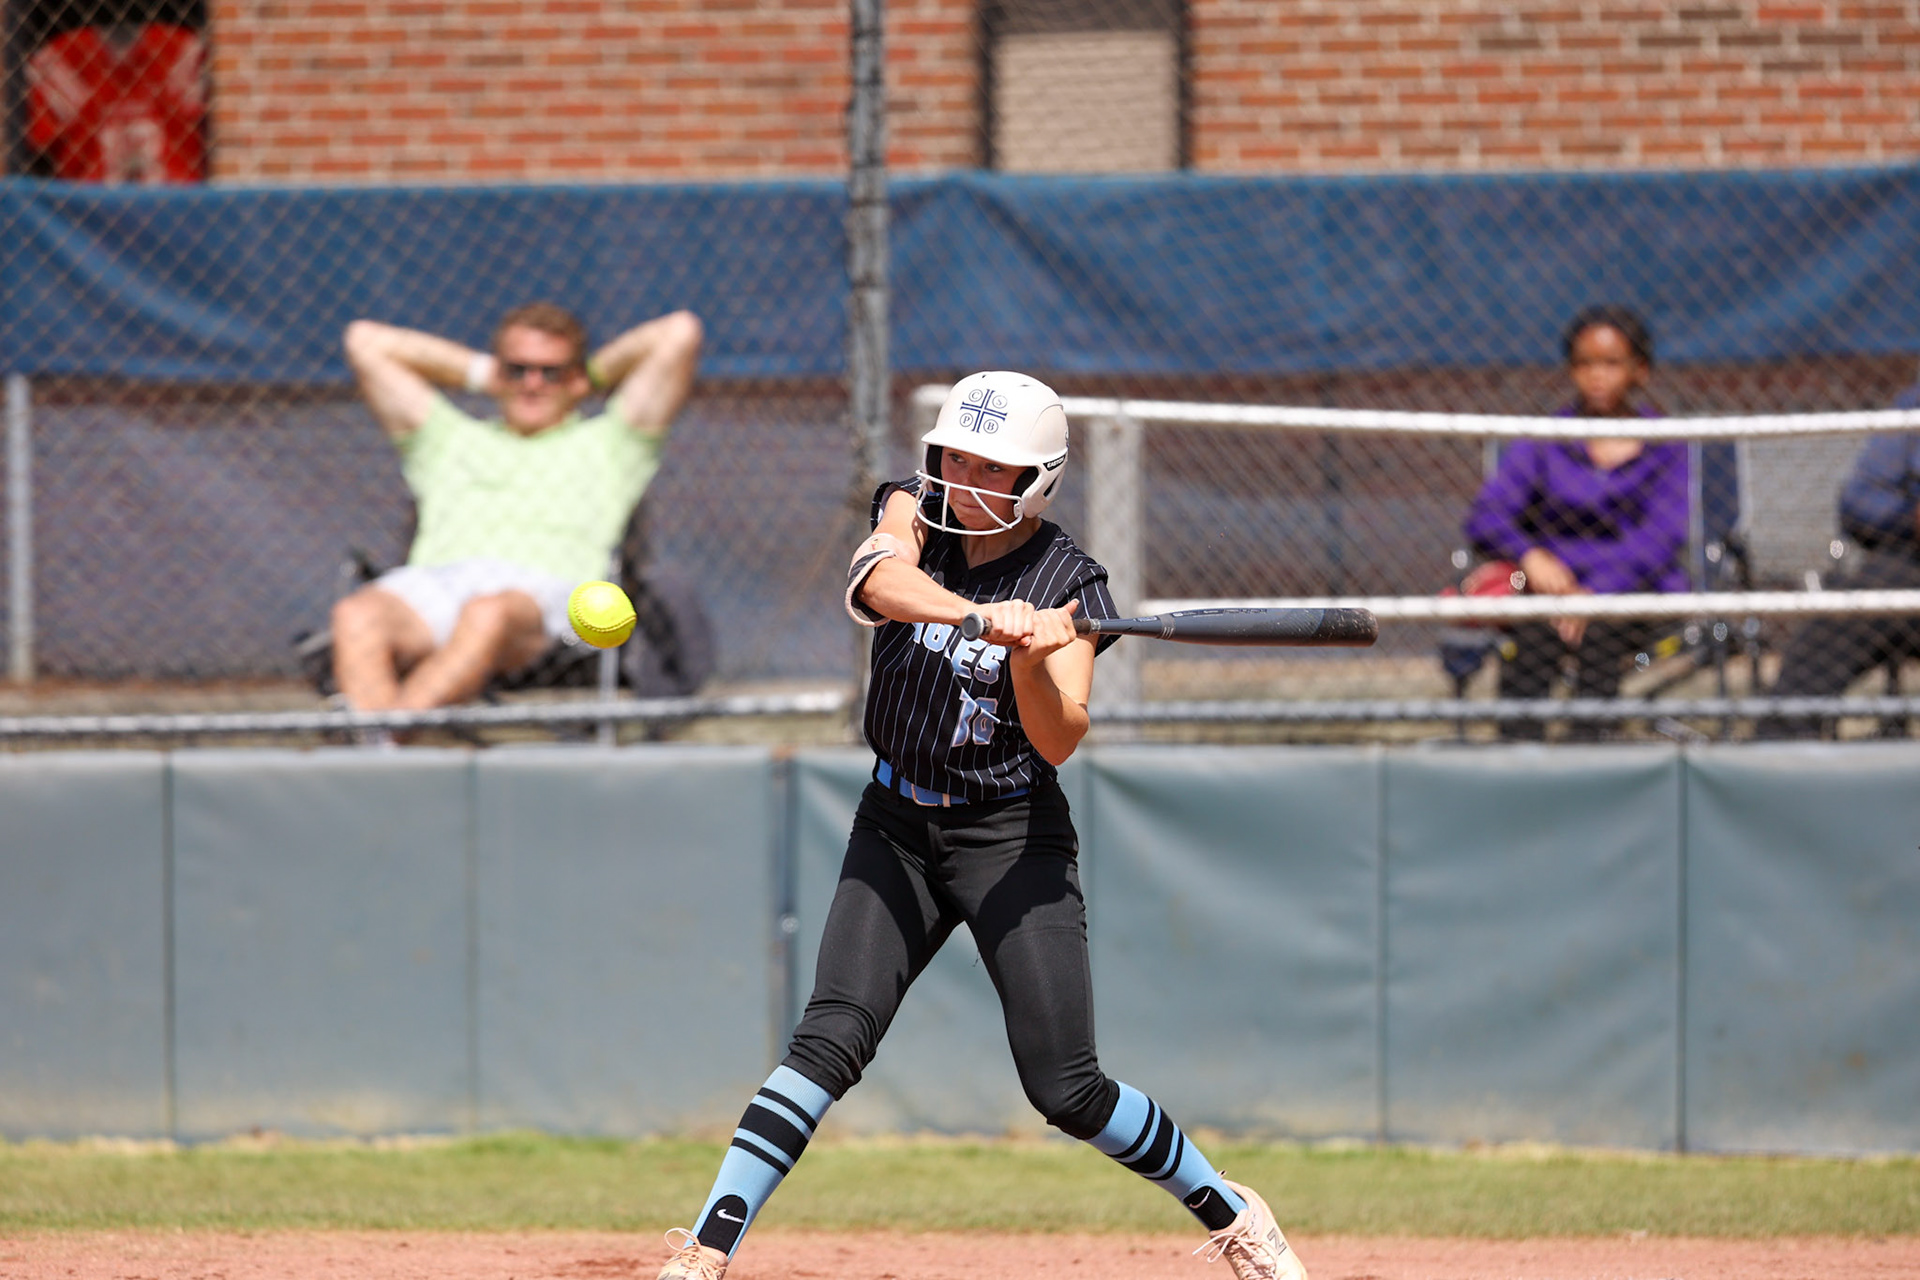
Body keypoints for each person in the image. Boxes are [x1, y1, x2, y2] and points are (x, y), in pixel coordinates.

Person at [653, 371, 1308, 1280]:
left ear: (1035, 480)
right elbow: (882, 581)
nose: (962, 479)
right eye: (954, 456)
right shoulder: (910, 506)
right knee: (829, 1036)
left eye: (990, 467)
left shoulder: (1073, 582)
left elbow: (1059, 736)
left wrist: (1035, 657)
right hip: (895, 823)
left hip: (1010, 837)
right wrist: (977, 616)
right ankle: (705, 1249)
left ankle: (1229, 1210)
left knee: (1066, 1087)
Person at [332, 302, 702, 713]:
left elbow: (678, 334)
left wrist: (588, 378)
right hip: (437, 585)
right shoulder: (447, 438)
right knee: (356, 614)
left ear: (574, 378)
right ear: (499, 373)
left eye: (551, 372)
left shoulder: (613, 444)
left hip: (550, 602)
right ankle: (383, 757)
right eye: (517, 370)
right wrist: (481, 373)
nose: (532, 384)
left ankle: (388, 740)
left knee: (488, 611)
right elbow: (364, 342)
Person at [1461, 305, 1689, 740]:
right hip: (1551, 592)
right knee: (1533, 635)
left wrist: (1597, 592)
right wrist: (1530, 556)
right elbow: (1487, 514)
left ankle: (1590, 753)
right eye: (1584, 364)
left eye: (1611, 363)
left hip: (1633, 593)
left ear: (1640, 371)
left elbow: (1660, 537)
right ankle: (1517, 755)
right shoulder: (1546, 439)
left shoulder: (1665, 444)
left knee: (1600, 632)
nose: (1596, 376)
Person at [1756, 404, 1920, 739]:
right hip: (1913, 565)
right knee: (1861, 599)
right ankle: (1780, 753)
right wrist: (1911, 517)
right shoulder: (1913, 407)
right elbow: (1860, 500)